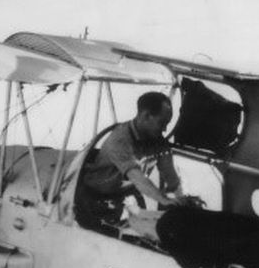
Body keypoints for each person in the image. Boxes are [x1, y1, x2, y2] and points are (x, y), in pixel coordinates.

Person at [77, 91, 192, 229]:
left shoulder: (158, 141)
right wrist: (164, 200)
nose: (165, 129)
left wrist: (181, 199)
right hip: (95, 199)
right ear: (145, 116)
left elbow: (170, 175)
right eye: (162, 123)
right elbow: (138, 178)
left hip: (124, 196)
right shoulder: (120, 140)